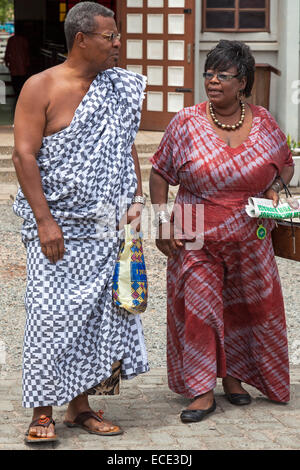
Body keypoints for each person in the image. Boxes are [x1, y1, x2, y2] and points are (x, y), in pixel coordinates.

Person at [12, 2, 149, 443]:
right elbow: (23, 154)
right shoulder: (41, 86)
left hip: (106, 227)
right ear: (82, 40)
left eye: (118, 36)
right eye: (110, 37)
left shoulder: (119, 88)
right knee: (51, 317)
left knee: (98, 318)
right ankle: (41, 413)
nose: (117, 44)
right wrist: (45, 220)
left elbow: (125, 145)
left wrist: (136, 198)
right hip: (58, 229)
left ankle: (81, 408)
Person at [149, 40, 294, 423]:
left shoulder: (264, 122)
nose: (212, 81)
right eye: (208, 74)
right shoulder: (186, 123)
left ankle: (235, 378)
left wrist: (273, 189)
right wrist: (162, 218)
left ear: (242, 82)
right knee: (198, 308)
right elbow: (160, 171)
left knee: (246, 309)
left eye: (222, 75)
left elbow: (285, 165)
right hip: (196, 228)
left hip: (251, 233)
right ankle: (199, 390)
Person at [4, 24, 30, 100]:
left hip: (14, 62)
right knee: (21, 79)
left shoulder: (11, 40)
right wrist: (27, 62)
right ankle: (20, 93)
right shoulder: (24, 40)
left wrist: (6, 60)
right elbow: (26, 52)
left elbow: (7, 51)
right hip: (22, 63)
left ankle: (16, 93)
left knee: (15, 79)